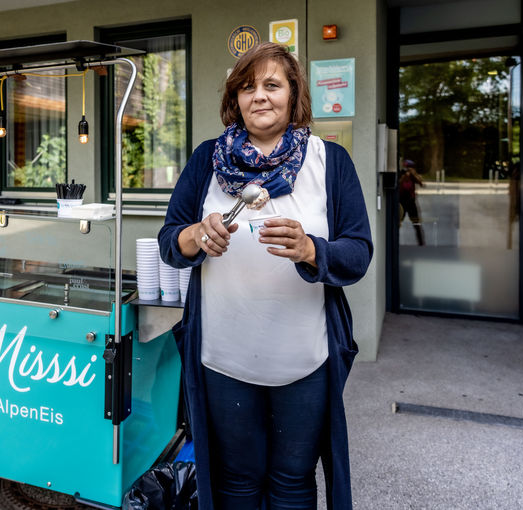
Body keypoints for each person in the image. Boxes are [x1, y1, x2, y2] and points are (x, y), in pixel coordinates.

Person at [158, 42, 372, 510]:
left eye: (272, 85)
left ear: (293, 95)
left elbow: (358, 254)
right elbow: (169, 242)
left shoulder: (329, 162)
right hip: (223, 357)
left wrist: (312, 249)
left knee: (292, 482)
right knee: (236, 480)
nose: (259, 96)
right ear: (235, 100)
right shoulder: (206, 160)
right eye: (246, 87)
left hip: (303, 359)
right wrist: (196, 236)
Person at [398, 159, 425, 246]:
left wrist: (413, 174)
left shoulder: (413, 176)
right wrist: (404, 176)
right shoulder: (401, 174)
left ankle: (421, 244)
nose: (408, 170)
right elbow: (398, 184)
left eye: (410, 168)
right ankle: (394, 244)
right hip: (402, 202)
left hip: (411, 202)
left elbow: (421, 183)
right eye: (407, 168)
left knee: (416, 224)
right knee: (397, 224)